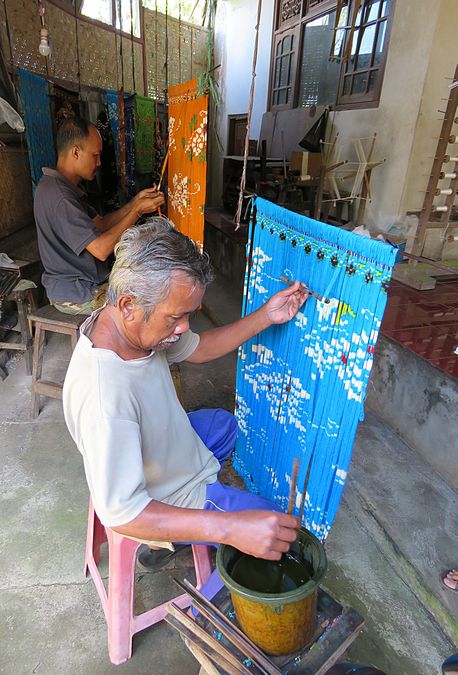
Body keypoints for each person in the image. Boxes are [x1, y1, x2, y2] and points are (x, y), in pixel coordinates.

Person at [63, 218, 308, 562]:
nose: (183, 327)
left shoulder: (123, 322)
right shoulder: (106, 399)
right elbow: (122, 513)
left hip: (162, 451)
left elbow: (199, 348)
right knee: (280, 534)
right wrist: (229, 528)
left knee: (225, 426)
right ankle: (176, 534)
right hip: (166, 491)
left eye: (189, 314)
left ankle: (179, 530)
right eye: (176, 317)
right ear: (129, 306)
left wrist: (267, 315)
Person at [34, 116, 164, 315]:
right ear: (76, 152)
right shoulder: (60, 197)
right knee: (148, 306)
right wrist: (137, 212)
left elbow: (101, 225)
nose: (99, 162)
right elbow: (102, 250)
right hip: (77, 293)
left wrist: (135, 202)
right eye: (95, 155)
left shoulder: (64, 188)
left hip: (84, 283)